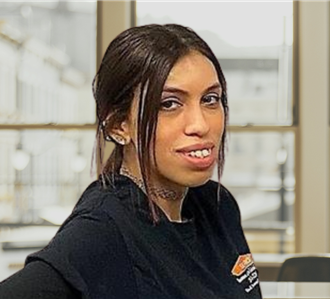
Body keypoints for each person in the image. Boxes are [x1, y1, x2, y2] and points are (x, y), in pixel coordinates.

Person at [0, 24, 262, 299]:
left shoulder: (217, 205)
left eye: (210, 99)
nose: (200, 124)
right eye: (169, 104)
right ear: (117, 125)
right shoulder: (101, 230)